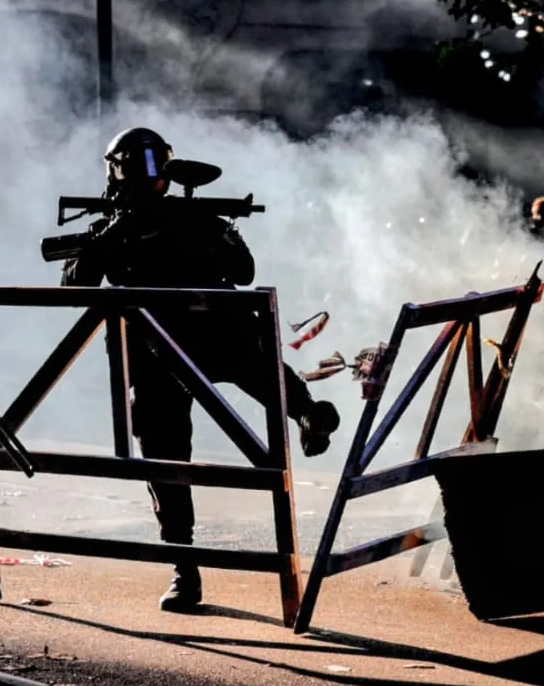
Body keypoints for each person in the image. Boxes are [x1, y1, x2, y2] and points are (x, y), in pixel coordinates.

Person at [60, 127, 340, 613]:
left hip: (192, 344)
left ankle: (307, 416)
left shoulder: (190, 219)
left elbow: (244, 270)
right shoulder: (116, 226)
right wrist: (111, 238)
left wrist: (207, 229)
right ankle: (185, 566)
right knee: (174, 454)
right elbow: (75, 287)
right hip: (162, 353)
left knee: (240, 389)